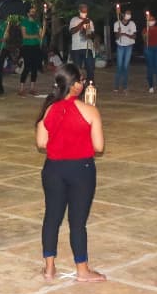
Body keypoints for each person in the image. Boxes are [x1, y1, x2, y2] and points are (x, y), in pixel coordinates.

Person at [35, 63, 106, 282]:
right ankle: (82, 270)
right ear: (75, 85)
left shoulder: (49, 108)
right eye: (81, 81)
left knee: (52, 218)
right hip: (80, 169)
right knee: (77, 222)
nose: (83, 84)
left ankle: (49, 268)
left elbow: (41, 142)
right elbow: (99, 147)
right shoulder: (89, 110)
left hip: (54, 168)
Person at [18, 7, 43, 97]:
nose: (34, 13)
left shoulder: (37, 23)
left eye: (34, 11)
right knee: (27, 67)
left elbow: (41, 36)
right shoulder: (24, 22)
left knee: (34, 68)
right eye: (32, 12)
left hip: (36, 47)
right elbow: (24, 36)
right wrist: (35, 36)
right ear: (28, 13)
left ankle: (32, 88)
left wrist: (42, 29)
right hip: (27, 47)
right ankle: (21, 88)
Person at [68, 4, 96, 82]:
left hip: (87, 48)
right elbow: (72, 31)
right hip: (76, 48)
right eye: (83, 11)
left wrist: (89, 34)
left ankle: (90, 85)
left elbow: (92, 35)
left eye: (86, 11)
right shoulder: (74, 20)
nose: (84, 13)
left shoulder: (90, 21)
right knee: (77, 70)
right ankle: (78, 86)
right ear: (79, 11)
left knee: (90, 68)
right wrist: (83, 22)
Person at [113, 10, 137, 92]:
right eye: (127, 14)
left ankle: (125, 86)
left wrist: (125, 34)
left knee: (126, 67)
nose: (129, 15)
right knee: (119, 66)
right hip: (120, 46)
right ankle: (116, 86)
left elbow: (134, 36)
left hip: (129, 46)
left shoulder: (132, 24)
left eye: (130, 14)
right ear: (123, 15)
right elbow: (116, 37)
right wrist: (119, 33)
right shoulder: (117, 24)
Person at [144, 13, 157, 94]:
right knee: (150, 69)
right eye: (149, 20)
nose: (151, 21)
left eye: (152, 20)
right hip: (148, 48)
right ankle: (151, 87)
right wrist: (146, 36)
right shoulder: (145, 29)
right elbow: (144, 40)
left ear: (155, 21)